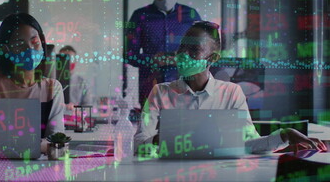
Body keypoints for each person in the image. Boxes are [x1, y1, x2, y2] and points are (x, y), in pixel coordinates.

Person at [133, 21, 327, 154]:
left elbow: (249, 144)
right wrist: (160, 140)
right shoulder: (161, 92)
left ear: (213, 58)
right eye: (182, 47)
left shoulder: (231, 93)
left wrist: (284, 135)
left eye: (193, 50)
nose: (183, 54)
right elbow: (139, 144)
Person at [0, 13, 65, 153]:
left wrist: (15, 145)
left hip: (39, 168)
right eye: (19, 45)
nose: (29, 50)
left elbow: (57, 141)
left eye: (34, 42)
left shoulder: (52, 88)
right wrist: (36, 145)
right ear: (6, 49)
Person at [126, 0, 202, 108]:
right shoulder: (139, 16)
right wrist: (153, 59)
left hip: (185, 89)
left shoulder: (191, 16)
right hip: (150, 88)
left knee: (184, 129)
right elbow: (129, 55)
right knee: (151, 130)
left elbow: (202, 53)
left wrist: (181, 59)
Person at [58, 45, 93, 110]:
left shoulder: (83, 83)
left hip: (75, 118)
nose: (67, 62)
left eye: (70, 59)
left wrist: (76, 109)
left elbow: (88, 106)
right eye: (63, 59)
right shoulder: (52, 82)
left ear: (75, 61)